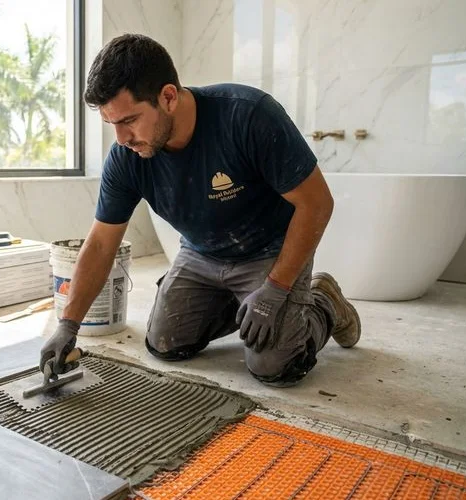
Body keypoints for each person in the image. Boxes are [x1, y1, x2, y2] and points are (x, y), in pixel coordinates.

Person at [39, 33, 361, 387]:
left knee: (274, 365)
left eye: (129, 120)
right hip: (201, 255)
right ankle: (241, 304)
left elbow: (317, 204)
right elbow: (101, 243)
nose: (121, 138)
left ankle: (323, 302)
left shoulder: (248, 116)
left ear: (168, 97)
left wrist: (275, 290)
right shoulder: (127, 158)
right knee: (164, 343)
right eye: (111, 124)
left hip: (269, 251)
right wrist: (68, 325)